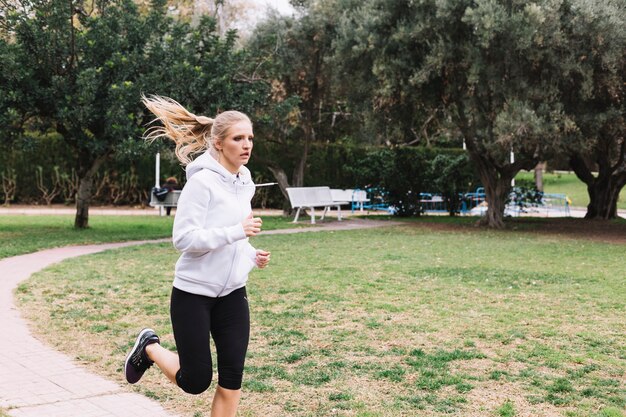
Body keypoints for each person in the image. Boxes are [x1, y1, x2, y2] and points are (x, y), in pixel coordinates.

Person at [124, 95, 271, 417]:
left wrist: (249, 254)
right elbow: (184, 239)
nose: (246, 145)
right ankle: (149, 348)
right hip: (194, 293)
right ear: (218, 143)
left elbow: (233, 238)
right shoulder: (201, 183)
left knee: (232, 379)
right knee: (195, 380)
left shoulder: (244, 181)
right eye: (238, 138)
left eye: (250, 138)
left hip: (232, 294)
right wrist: (237, 232)